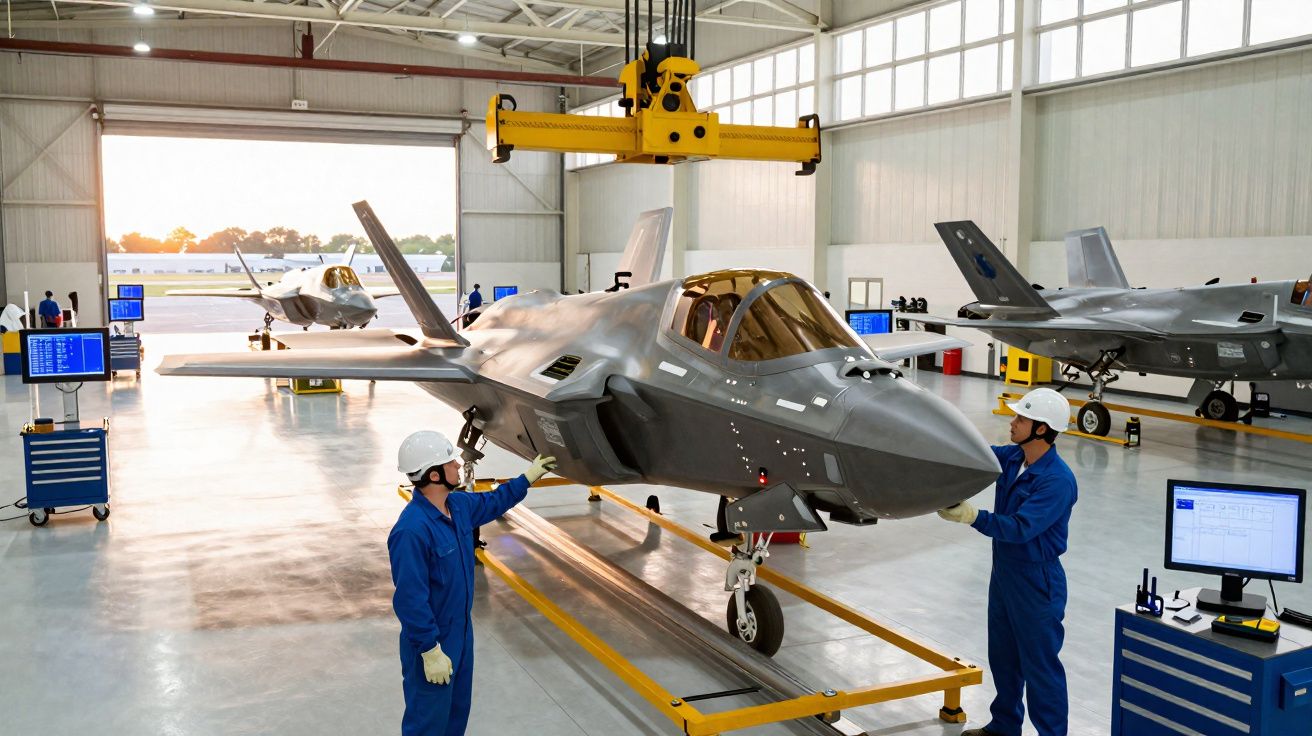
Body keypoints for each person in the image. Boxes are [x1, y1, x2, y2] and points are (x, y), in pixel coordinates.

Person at [388, 430, 557, 736]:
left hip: (461, 633)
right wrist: (429, 650)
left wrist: (528, 477)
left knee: (455, 716)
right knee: (427, 723)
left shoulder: (460, 506)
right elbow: (410, 600)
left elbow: (495, 501)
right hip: (434, 641)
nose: (457, 465)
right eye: (450, 461)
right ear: (435, 475)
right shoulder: (411, 530)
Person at [937, 387, 1077, 736]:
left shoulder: (1057, 481)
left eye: (1021, 418)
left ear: (1041, 429)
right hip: (1004, 574)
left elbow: (1020, 528)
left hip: (1036, 580)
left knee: (1040, 667)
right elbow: (979, 455)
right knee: (1004, 657)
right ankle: (1004, 726)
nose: (1012, 423)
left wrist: (972, 516)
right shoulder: (1015, 458)